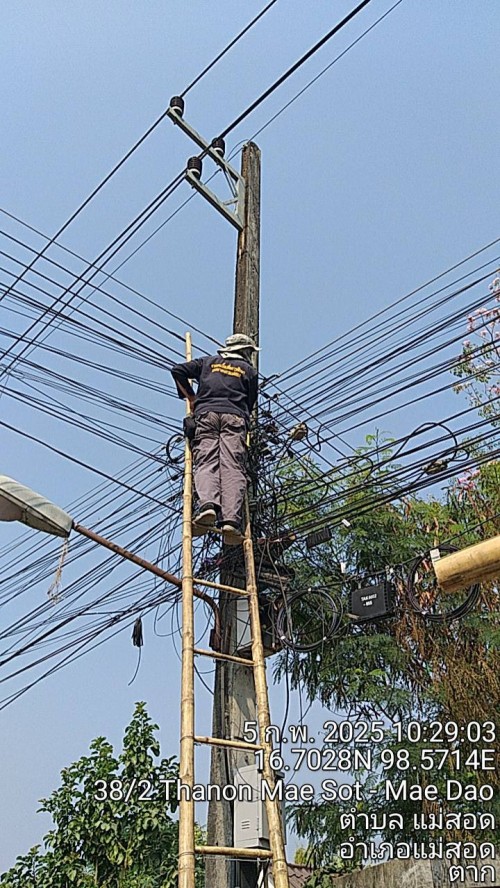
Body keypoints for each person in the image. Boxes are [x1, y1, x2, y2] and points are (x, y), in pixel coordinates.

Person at [170, 333, 259, 545]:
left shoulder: (207, 362)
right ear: (245, 352)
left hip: (206, 415)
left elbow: (178, 370)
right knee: (232, 467)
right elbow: (251, 403)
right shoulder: (249, 371)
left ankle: (208, 506)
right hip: (235, 418)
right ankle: (230, 520)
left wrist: (192, 398)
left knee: (206, 462)